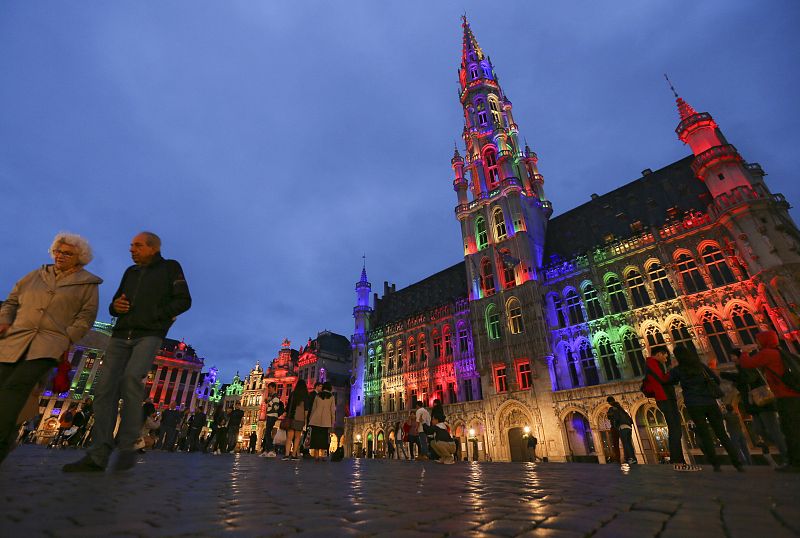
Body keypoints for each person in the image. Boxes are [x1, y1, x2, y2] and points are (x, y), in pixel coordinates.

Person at [65, 232, 191, 473]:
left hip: (149, 333)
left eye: (138, 246)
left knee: (132, 379)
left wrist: (157, 316)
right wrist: (115, 307)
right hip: (121, 334)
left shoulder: (170, 268)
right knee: (104, 390)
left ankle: (129, 445)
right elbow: (115, 303)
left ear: (153, 248)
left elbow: (184, 300)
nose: (131, 249)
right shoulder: (130, 273)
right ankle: (99, 453)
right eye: (131, 245)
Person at [0, 233, 101, 466]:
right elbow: (11, 301)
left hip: (48, 344)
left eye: (67, 253)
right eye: (57, 251)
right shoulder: (35, 275)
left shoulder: (88, 284)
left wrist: (66, 337)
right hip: (16, 339)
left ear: (80, 258)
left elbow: (86, 317)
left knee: (17, 387)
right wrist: (5, 320)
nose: (60, 256)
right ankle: (8, 438)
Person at [668, 345, 743, 472]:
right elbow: (716, 380)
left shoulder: (678, 370)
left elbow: (670, 381)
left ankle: (715, 464)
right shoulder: (700, 366)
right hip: (710, 402)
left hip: (694, 404)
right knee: (722, 434)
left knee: (705, 434)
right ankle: (737, 463)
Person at [739, 331, 800, 472]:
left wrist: (744, 352)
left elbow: (747, 363)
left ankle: (795, 463)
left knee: (789, 430)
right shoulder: (781, 352)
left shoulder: (767, 353)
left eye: (758, 340)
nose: (757, 343)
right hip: (794, 395)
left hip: (785, 397)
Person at [721, 350, 787, 466]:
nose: (732, 359)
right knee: (758, 430)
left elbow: (748, 379)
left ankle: (788, 456)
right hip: (755, 405)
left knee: (773, 430)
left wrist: (729, 376)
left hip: (763, 404)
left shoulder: (748, 366)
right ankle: (774, 451)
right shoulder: (742, 368)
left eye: (733, 356)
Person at [642, 345, 690, 470]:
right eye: (665, 355)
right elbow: (663, 379)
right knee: (675, 428)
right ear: (658, 354)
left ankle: (678, 460)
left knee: (676, 429)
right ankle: (678, 461)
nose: (666, 358)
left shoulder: (655, 364)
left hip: (666, 398)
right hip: (664, 399)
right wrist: (674, 370)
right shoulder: (652, 363)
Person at [308, 382, 335, 461]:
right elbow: (332, 411)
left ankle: (316, 455)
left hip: (316, 419)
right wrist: (333, 422)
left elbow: (313, 408)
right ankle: (322, 455)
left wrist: (310, 419)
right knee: (323, 438)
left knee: (315, 437)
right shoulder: (331, 397)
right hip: (326, 420)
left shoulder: (318, 395)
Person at [607, 397, 637, 464]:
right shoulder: (621, 408)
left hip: (622, 427)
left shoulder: (613, 408)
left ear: (610, 402)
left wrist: (615, 423)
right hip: (628, 427)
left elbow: (612, 417)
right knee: (629, 443)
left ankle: (629, 459)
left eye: (608, 402)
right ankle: (633, 458)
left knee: (625, 443)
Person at [284, 379, 309, 460]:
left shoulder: (292, 394)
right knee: (297, 437)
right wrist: (305, 420)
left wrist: (286, 415)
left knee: (289, 437)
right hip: (300, 418)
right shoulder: (305, 395)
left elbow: (288, 407)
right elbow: (306, 409)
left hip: (291, 416)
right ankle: (294, 454)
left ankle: (287, 454)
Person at [260, 382, 283, 458]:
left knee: (267, 432)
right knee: (267, 433)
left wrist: (269, 401)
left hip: (273, 416)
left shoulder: (275, 397)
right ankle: (266, 450)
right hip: (269, 415)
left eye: (269, 388)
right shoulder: (272, 397)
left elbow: (276, 407)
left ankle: (271, 450)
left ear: (273, 388)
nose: (269, 390)